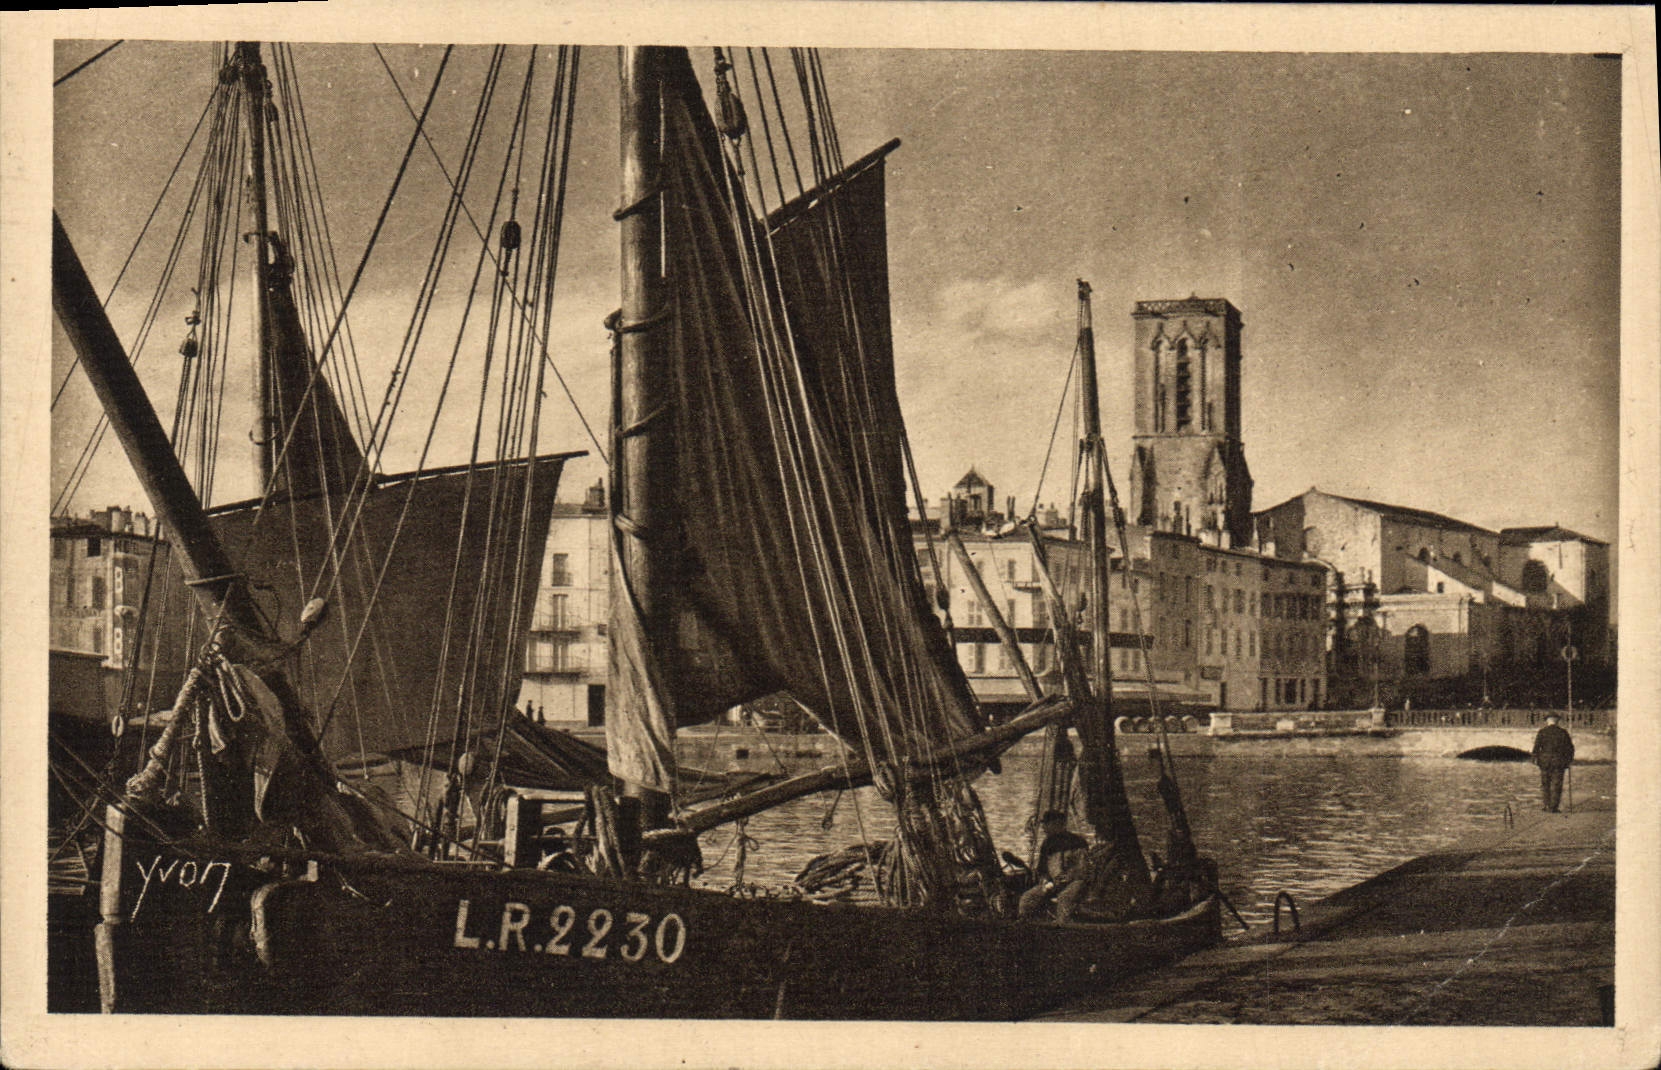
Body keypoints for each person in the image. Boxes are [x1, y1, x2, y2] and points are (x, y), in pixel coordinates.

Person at [1017, 810, 1089, 919]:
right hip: (1053, 883)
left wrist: (1068, 878)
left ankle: (1063, 927)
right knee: (1027, 898)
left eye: (1046, 824)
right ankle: (1025, 923)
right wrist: (1046, 881)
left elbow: (1082, 869)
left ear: (1057, 824)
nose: (1043, 828)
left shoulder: (1078, 842)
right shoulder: (1047, 843)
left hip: (1075, 881)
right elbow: (1043, 869)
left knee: (1065, 898)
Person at [1531, 713, 1575, 813]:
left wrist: (1535, 759)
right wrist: (1569, 760)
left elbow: (1536, 747)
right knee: (1557, 784)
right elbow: (1570, 749)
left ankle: (1546, 805)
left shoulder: (1542, 732)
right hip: (1558, 762)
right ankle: (1554, 807)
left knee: (1545, 784)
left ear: (1547, 721)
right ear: (1557, 721)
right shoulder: (1563, 732)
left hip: (1545, 762)